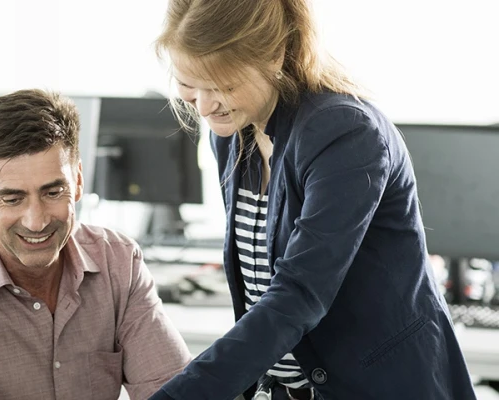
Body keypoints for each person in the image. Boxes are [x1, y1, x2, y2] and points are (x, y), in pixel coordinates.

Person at [148, 0, 476, 399]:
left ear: (274, 57)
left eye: (222, 86)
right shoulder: (236, 131)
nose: (202, 106)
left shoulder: (345, 132)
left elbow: (298, 295)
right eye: (188, 84)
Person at [0, 89, 192, 400]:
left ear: (78, 180)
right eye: (12, 199)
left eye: (53, 193)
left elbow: (175, 393)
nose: (36, 222)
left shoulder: (118, 264)